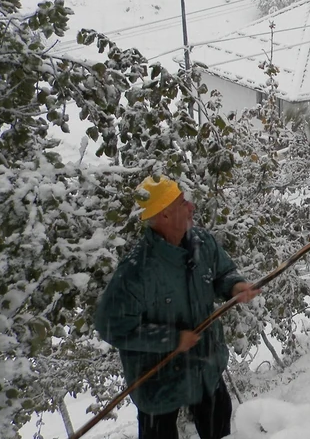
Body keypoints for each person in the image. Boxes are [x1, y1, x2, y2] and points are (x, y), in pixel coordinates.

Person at [95, 175, 259, 439]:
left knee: (219, 427)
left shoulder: (202, 243)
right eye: (182, 202)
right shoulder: (137, 271)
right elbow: (112, 326)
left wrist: (235, 287)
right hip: (157, 381)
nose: (191, 207)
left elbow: (222, 274)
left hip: (205, 368)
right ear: (165, 215)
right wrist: (171, 339)